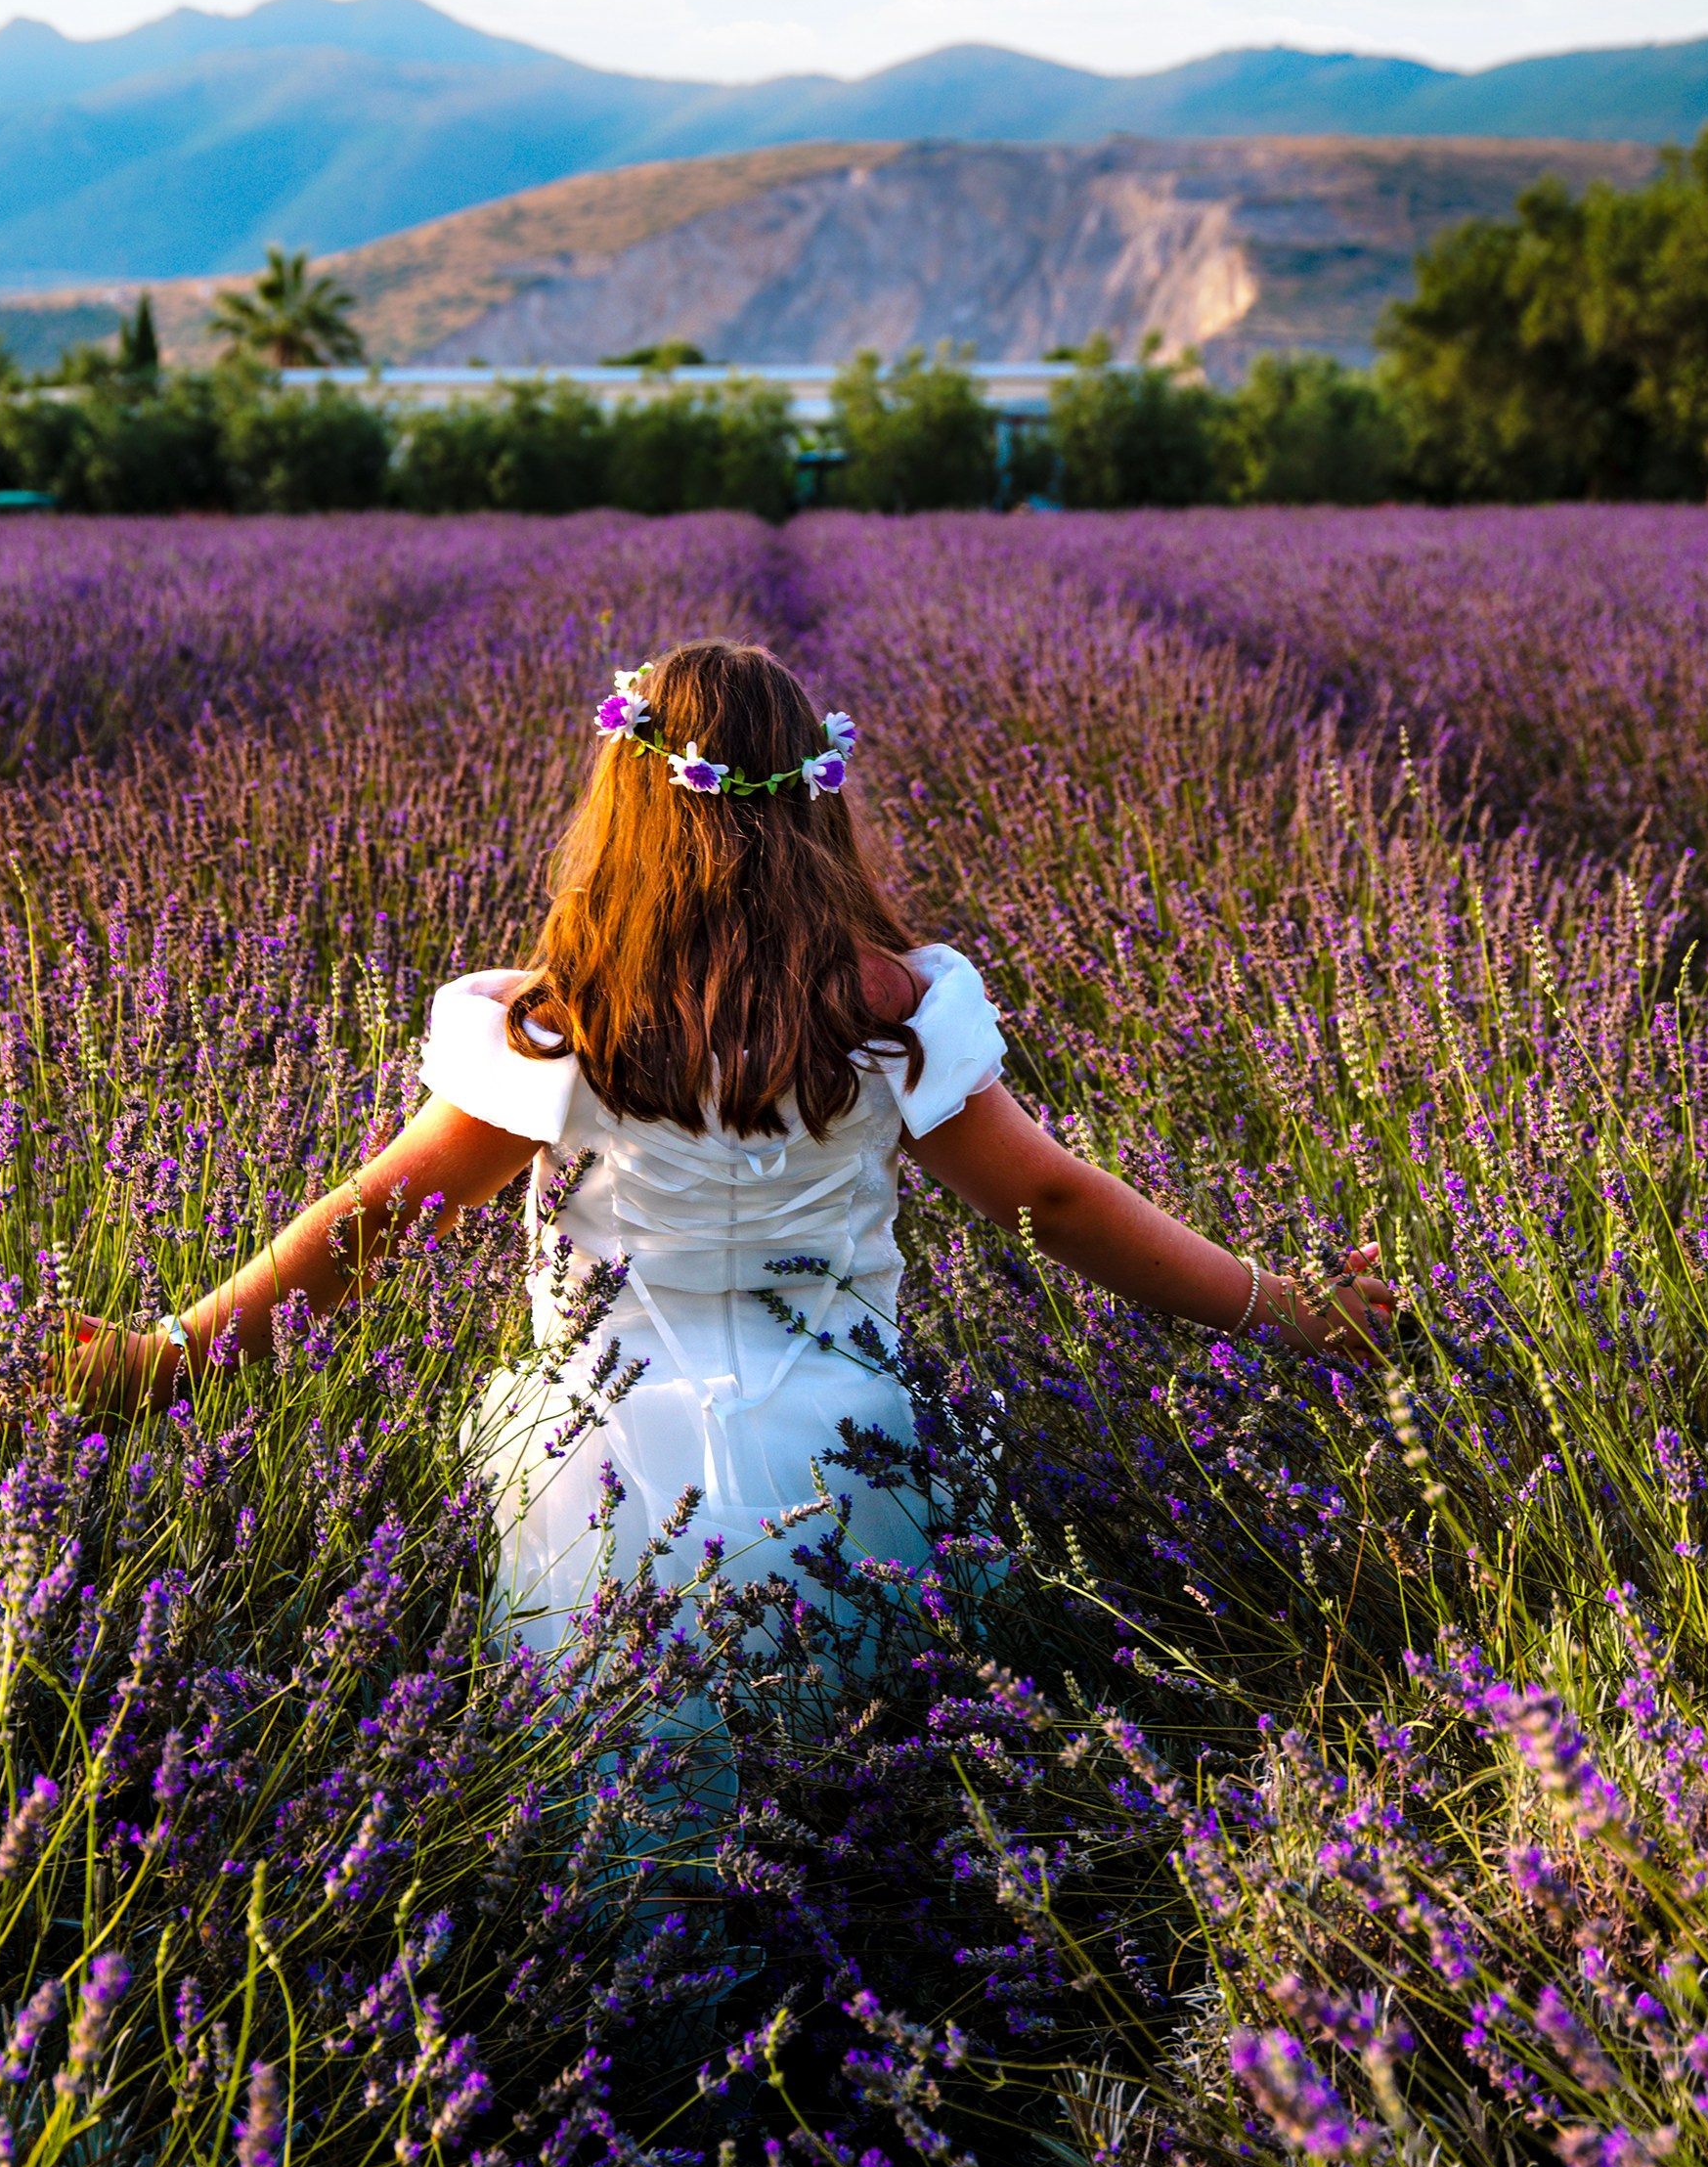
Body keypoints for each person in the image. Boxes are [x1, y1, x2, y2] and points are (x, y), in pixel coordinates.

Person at [72, 639, 1393, 1652]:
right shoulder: (890, 1005)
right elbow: (1057, 1200)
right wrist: (1281, 1307)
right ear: (818, 798)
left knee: (611, 1797)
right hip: (848, 1454)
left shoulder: (559, 1022)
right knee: (858, 1780)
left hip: (596, 1471)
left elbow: (372, 1221)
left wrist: (170, 1357)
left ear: (625, 804)